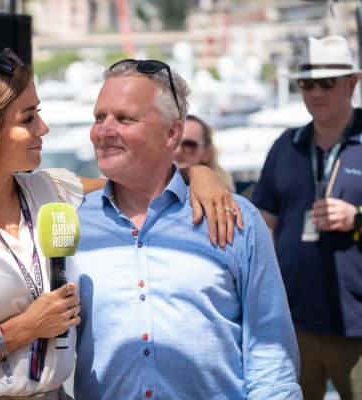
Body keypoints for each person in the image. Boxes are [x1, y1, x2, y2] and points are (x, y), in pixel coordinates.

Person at [0, 48, 242, 399]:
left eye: (38, 113)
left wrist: (197, 173)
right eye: (27, 119)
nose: (44, 128)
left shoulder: (50, 189)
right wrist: (21, 330)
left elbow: (141, 180)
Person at [73, 58, 302, 399]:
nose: (103, 131)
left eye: (124, 118)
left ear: (172, 132)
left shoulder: (235, 219)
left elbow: (269, 354)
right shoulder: (71, 222)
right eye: (99, 117)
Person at [251, 35, 362, 400]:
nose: (315, 92)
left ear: (352, 82)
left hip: (357, 327)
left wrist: (356, 218)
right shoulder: (286, 144)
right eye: (306, 83)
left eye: (326, 82)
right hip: (292, 323)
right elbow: (264, 222)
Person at [173, 114, 235, 192]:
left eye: (189, 144)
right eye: (174, 141)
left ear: (207, 154)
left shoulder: (227, 200)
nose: (178, 150)